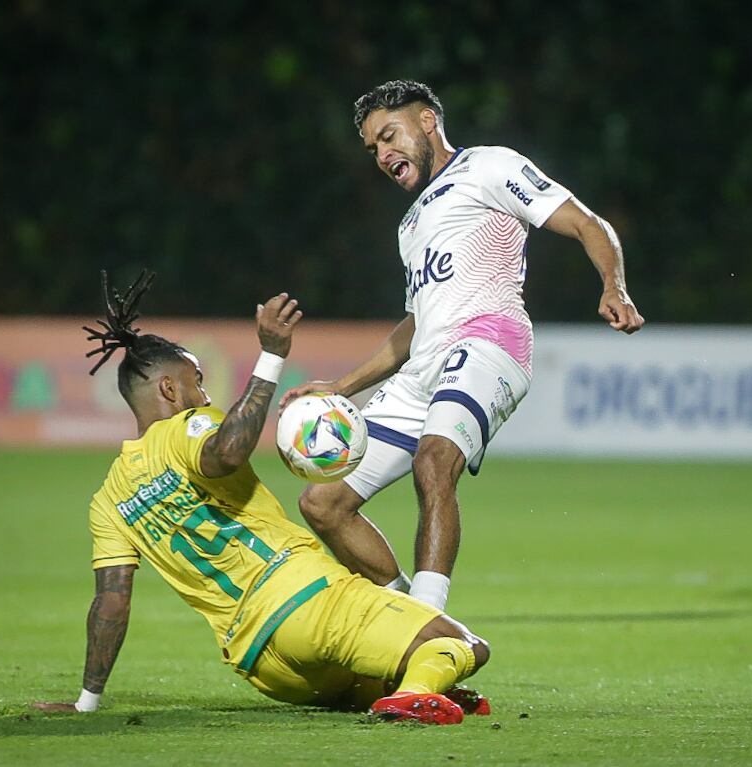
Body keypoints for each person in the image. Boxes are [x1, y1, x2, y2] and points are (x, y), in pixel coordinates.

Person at [33, 271, 491, 724]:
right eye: (197, 380)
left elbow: (111, 603)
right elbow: (227, 453)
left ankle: (413, 685)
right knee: (463, 645)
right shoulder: (188, 429)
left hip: (266, 667)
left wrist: (86, 701)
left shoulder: (110, 498)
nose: (204, 392)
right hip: (309, 603)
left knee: (379, 674)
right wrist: (272, 356)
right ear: (169, 389)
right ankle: (418, 687)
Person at [281, 80, 645, 611]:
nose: (383, 155)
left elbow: (588, 223)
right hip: (425, 366)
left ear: (427, 121)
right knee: (323, 503)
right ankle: (406, 617)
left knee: (435, 460)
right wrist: (342, 387)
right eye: (373, 149)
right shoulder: (409, 225)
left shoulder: (488, 167)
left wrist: (614, 285)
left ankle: (430, 623)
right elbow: (416, 324)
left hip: (490, 341)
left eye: (389, 136)